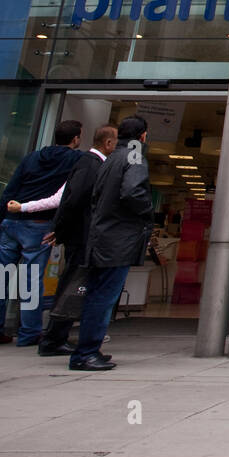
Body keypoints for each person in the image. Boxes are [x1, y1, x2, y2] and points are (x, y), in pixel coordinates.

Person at [8, 124, 119, 356]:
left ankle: (54, 336)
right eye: (116, 141)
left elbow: (64, 197)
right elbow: (69, 198)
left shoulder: (90, 163)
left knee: (74, 284)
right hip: (81, 237)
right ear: (108, 143)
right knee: (73, 285)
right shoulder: (90, 164)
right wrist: (59, 228)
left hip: (80, 235)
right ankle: (53, 338)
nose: (118, 145)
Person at [0, 120, 84, 347]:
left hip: (11, 222)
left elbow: (10, 190)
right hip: (38, 224)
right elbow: (68, 197)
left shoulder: (33, 157)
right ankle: (29, 333)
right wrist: (59, 226)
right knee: (32, 281)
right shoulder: (75, 160)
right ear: (75, 139)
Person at [71, 116, 153, 372]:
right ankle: (86, 352)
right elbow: (131, 191)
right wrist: (148, 210)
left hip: (102, 236)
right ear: (143, 136)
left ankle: (87, 349)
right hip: (118, 238)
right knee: (104, 296)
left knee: (97, 294)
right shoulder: (134, 156)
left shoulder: (110, 159)